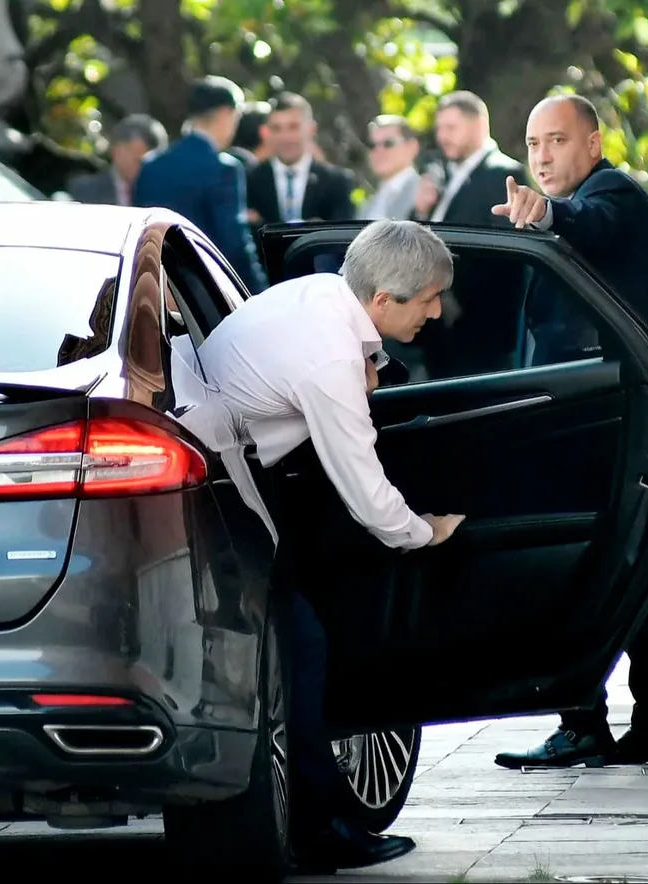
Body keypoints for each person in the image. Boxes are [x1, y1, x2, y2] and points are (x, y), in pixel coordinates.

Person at [196, 219, 465, 872]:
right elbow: (363, 485)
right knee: (301, 646)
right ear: (382, 302)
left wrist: (369, 367)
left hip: (235, 471)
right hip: (218, 491)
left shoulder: (323, 294)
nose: (438, 310)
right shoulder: (331, 360)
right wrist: (424, 531)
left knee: (302, 639)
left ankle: (318, 817)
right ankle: (319, 830)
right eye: (428, 298)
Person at [488, 94, 648, 770]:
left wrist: (546, 214)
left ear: (594, 145)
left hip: (599, 420)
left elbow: (593, 224)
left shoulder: (614, 197)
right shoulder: (572, 206)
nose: (541, 156)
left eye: (556, 140)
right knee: (627, 567)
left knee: (592, 564)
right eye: (532, 142)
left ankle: (590, 724)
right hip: (582, 417)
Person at [132, 76, 268, 295]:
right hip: (206, 296)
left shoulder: (151, 165)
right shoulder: (224, 168)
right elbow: (234, 245)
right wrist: (261, 295)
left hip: (154, 290)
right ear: (226, 113)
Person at [411, 90, 525, 226]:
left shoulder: (504, 175)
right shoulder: (442, 174)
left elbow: (506, 240)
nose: (442, 137)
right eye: (439, 129)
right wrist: (422, 212)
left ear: (479, 126)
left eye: (451, 128)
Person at [245, 91, 356, 224]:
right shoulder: (248, 180)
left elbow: (343, 235)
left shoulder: (336, 182)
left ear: (311, 129)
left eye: (293, 127)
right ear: (266, 132)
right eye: (276, 128)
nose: (285, 137)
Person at [67, 114, 167, 205]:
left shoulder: (165, 193)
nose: (144, 168)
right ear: (117, 151)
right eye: (138, 161)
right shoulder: (85, 191)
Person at [357, 115, 421, 221]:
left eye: (388, 143)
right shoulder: (369, 204)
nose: (379, 151)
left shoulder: (423, 194)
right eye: (372, 145)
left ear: (412, 147)